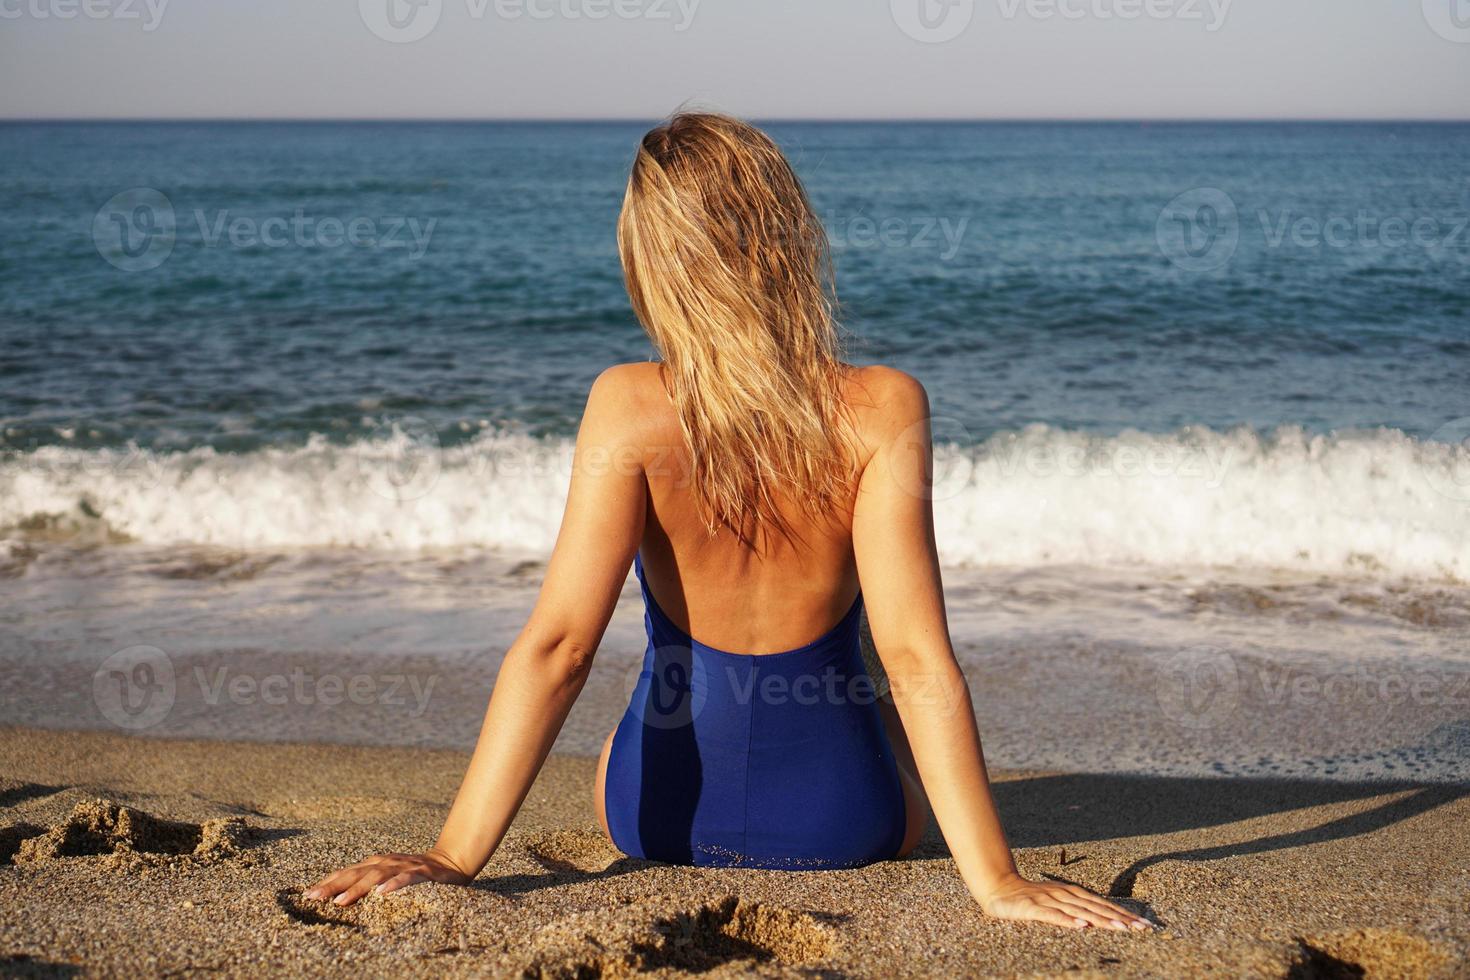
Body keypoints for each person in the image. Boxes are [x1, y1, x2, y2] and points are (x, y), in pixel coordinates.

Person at [307, 112, 1149, 932]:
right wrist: (995, 880)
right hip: (846, 824)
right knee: (864, 659)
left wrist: (454, 855)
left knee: (645, 712)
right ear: (790, 238)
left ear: (654, 260)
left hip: (654, 820)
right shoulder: (882, 408)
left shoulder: (626, 406)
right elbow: (917, 658)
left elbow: (559, 648)